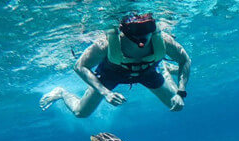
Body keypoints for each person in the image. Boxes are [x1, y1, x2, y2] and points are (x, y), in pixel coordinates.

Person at [40, 13, 191, 117]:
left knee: (179, 106)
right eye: (137, 31)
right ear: (124, 31)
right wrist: (105, 92)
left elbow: (185, 60)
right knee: (81, 113)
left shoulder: (163, 40)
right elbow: (79, 66)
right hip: (111, 74)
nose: (143, 36)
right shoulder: (106, 44)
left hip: (148, 72)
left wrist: (180, 92)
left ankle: (163, 67)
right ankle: (61, 93)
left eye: (147, 29)